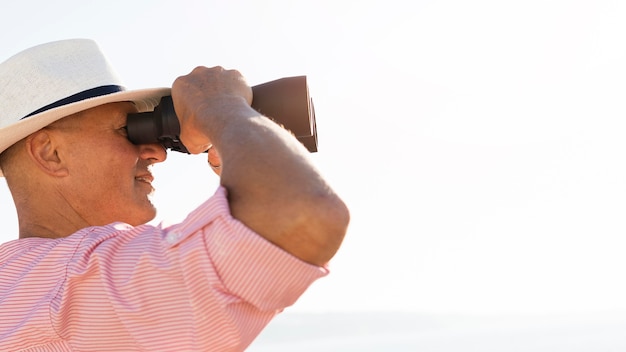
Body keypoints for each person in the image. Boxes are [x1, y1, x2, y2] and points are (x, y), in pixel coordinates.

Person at [0, 39, 349, 351]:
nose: (158, 152)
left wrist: (241, 162)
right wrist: (222, 108)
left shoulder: (21, 284)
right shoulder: (76, 281)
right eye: (128, 131)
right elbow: (304, 214)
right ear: (50, 153)